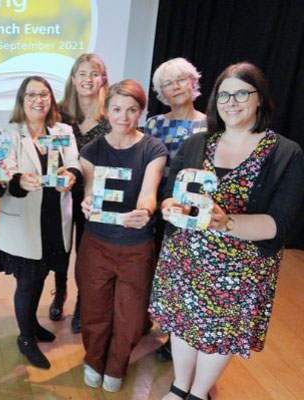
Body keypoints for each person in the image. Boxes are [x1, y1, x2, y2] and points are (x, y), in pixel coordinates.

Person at [149, 62, 304, 400]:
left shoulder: (285, 153)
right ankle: (179, 386)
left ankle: (199, 393)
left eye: (241, 93)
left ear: (260, 98)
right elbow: (170, 195)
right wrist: (168, 208)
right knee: (183, 323)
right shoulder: (197, 143)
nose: (231, 102)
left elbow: (280, 224)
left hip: (241, 269)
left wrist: (227, 222)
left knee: (222, 333)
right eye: (224, 95)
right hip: (185, 259)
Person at [77, 80, 167, 392]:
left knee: (130, 313)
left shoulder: (153, 148)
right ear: (107, 111)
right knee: (94, 307)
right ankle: (94, 359)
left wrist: (144, 211)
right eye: (117, 109)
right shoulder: (91, 150)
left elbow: (149, 193)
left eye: (132, 110)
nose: (124, 116)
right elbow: (90, 193)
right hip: (97, 244)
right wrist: (87, 203)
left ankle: (116, 364)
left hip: (136, 245)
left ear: (141, 112)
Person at [0, 76, 80, 369]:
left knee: (42, 275)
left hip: (55, 218)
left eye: (43, 94)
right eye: (31, 95)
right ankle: (26, 338)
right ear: (21, 100)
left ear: (51, 99)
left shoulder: (63, 130)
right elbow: (4, 178)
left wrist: (71, 177)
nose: (38, 100)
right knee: (28, 282)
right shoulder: (9, 133)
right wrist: (19, 181)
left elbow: (75, 164)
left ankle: (31, 324)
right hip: (24, 221)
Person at [145, 57, 208, 361]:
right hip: (155, 204)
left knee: (180, 274)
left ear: (193, 82)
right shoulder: (154, 124)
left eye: (180, 79)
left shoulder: (210, 124)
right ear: (161, 92)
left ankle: (175, 337)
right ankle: (143, 320)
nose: (175, 87)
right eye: (167, 84)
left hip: (189, 212)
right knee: (149, 264)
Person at [56, 53, 111, 333]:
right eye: (82, 74)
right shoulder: (59, 113)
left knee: (86, 253)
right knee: (60, 249)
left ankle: (82, 302)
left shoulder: (112, 115)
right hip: (62, 194)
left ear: (103, 79)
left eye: (94, 73)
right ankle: (60, 290)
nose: (88, 79)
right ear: (73, 79)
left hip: (96, 198)